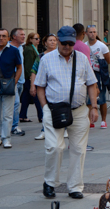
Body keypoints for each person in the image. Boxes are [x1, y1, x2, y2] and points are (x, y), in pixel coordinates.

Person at [35, 26, 98, 199]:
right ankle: (49, 183)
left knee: (79, 149)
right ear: (58, 41)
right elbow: (39, 86)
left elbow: (91, 83)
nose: (67, 47)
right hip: (54, 109)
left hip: (78, 110)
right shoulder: (47, 59)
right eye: (64, 43)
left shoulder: (82, 59)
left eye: (71, 43)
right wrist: (45, 107)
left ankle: (75, 186)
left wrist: (94, 107)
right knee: (55, 147)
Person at [30, 34, 58, 141]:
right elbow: (34, 71)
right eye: (50, 40)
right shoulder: (41, 57)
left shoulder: (60, 54)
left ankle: (63, 128)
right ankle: (44, 130)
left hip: (56, 88)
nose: (52, 42)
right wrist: (33, 85)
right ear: (45, 43)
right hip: (44, 87)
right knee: (45, 110)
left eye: (54, 40)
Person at [85, 25, 110, 129]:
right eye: (90, 32)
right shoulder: (85, 45)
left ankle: (103, 120)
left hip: (100, 74)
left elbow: (108, 60)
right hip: (89, 73)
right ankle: (90, 120)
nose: (93, 34)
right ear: (86, 33)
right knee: (89, 99)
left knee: (102, 98)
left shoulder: (102, 46)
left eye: (94, 32)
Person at [20, 32, 43, 123]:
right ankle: (41, 116)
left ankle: (22, 115)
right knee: (36, 97)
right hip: (30, 77)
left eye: (38, 38)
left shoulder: (32, 48)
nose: (38, 40)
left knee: (26, 97)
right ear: (30, 40)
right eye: (36, 39)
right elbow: (29, 65)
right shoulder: (29, 49)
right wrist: (31, 78)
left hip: (28, 77)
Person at [9, 28, 26, 137]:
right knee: (15, 104)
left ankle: (11, 124)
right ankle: (14, 126)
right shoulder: (9, 48)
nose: (24, 36)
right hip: (13, 80)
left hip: (21, 81)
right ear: (14, 36)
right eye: (21, 34)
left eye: (24, 34)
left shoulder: (20, 48)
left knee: (16, 104)